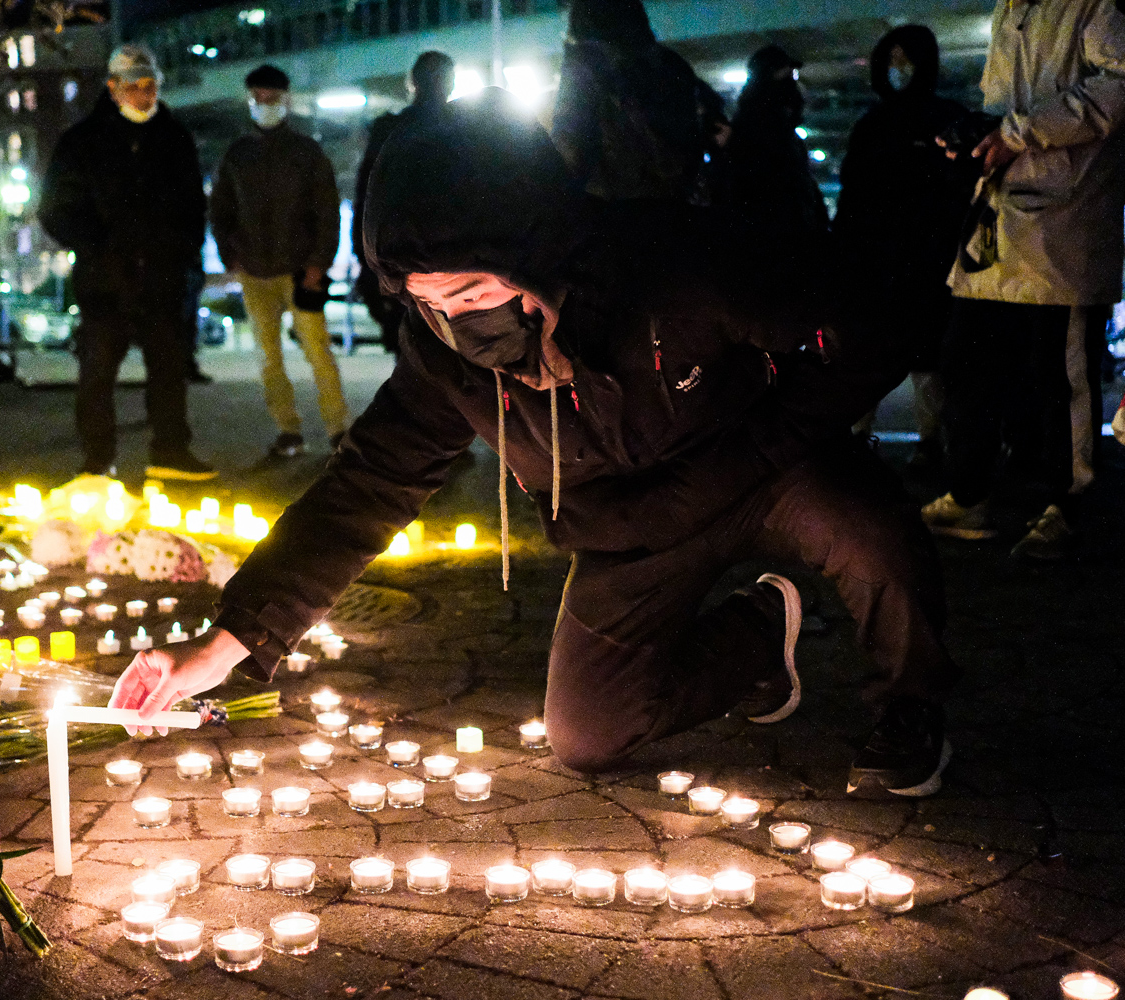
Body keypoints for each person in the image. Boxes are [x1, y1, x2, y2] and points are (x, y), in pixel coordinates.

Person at [110, 94, 961, 800]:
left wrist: (777, 437)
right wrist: (230, 644)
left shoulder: (675, 268)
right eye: (430, 302)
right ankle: (756, 638)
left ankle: (910, 702)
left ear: (539, 251)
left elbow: (866, 331)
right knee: (587, 734)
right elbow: (364, 491)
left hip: (770, 468)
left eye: (476, 289)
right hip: (634, 526)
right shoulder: (445, 357)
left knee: (871, 534)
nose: (460, 321)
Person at [924, 0, 1125, 559]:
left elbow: (1121, 85)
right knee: (968, 361)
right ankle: (973, 492)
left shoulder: (1092, 5)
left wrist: (1019, 132)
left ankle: (1067, 506)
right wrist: (986, 133)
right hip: (1003, 217)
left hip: (1067, 219)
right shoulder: (1008, 10)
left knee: (1057, 376)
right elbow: (1009, 105)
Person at [39, 44, 216, 481]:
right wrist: (99, 247)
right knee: (98, 372)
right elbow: (57, 209)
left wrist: (182, 256)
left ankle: (170, 451)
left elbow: (193, 206)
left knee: (169, 368)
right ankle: (98, 459)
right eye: (133, 86)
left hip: (162, 276)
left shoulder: (173, 137)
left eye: (150, 85)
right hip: (105, 279)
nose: (143, 94)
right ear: (113, 88)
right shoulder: (82, 142)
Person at [834, 25, 974, 467]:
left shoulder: (879, 126)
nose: (898, 71)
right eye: (892, 61)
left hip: (916, 259)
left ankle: (915, 439)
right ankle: (886, 438)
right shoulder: (896, 123)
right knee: (900, 352)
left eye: (905, 61)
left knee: (913, 355)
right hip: (899, 259)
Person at [210, 64, 349, 459]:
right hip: (255, 270)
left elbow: (326, 211)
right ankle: (288, 430)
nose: (263, 104)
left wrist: (318, 264)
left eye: (270, 97)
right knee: (268, 357)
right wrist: (230, 253)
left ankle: (339, 428)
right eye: (257, 97)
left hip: (300, 269)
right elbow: (220, 208)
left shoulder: (306, 152)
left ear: (285, 99)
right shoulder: (238, 154)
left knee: (317, 351)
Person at [550, 0, 711, 203]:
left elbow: (571, 151)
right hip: (674, 205)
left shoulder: (585, 66)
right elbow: (693, 143)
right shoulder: (672, 65)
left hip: (611, 212)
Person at [353, 51, 456, 354]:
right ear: (450, 83)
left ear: (412, 82)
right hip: (454, 259)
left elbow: (367, 198)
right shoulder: (465, 130)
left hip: (401, 259)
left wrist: (365, 257)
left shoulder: (389, 130)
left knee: (410, 356)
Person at [715, 44, 829, 250]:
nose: (793, 81)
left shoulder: (752, 123)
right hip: (780, 234)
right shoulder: (769, 125)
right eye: (787, 74)